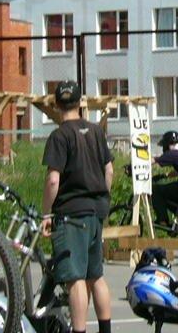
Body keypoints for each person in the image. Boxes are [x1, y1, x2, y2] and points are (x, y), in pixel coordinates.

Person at [41, 80, 113, 333]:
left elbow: (53, 180)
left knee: (75, 280)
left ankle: (79, 331)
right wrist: (103, 198)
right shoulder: (95, 131)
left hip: (71, 214)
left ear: (56, 104)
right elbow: (109, 170)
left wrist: (46, 213)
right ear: (80, 102)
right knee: (96, 276)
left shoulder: (59, 136)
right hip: (96, 212)